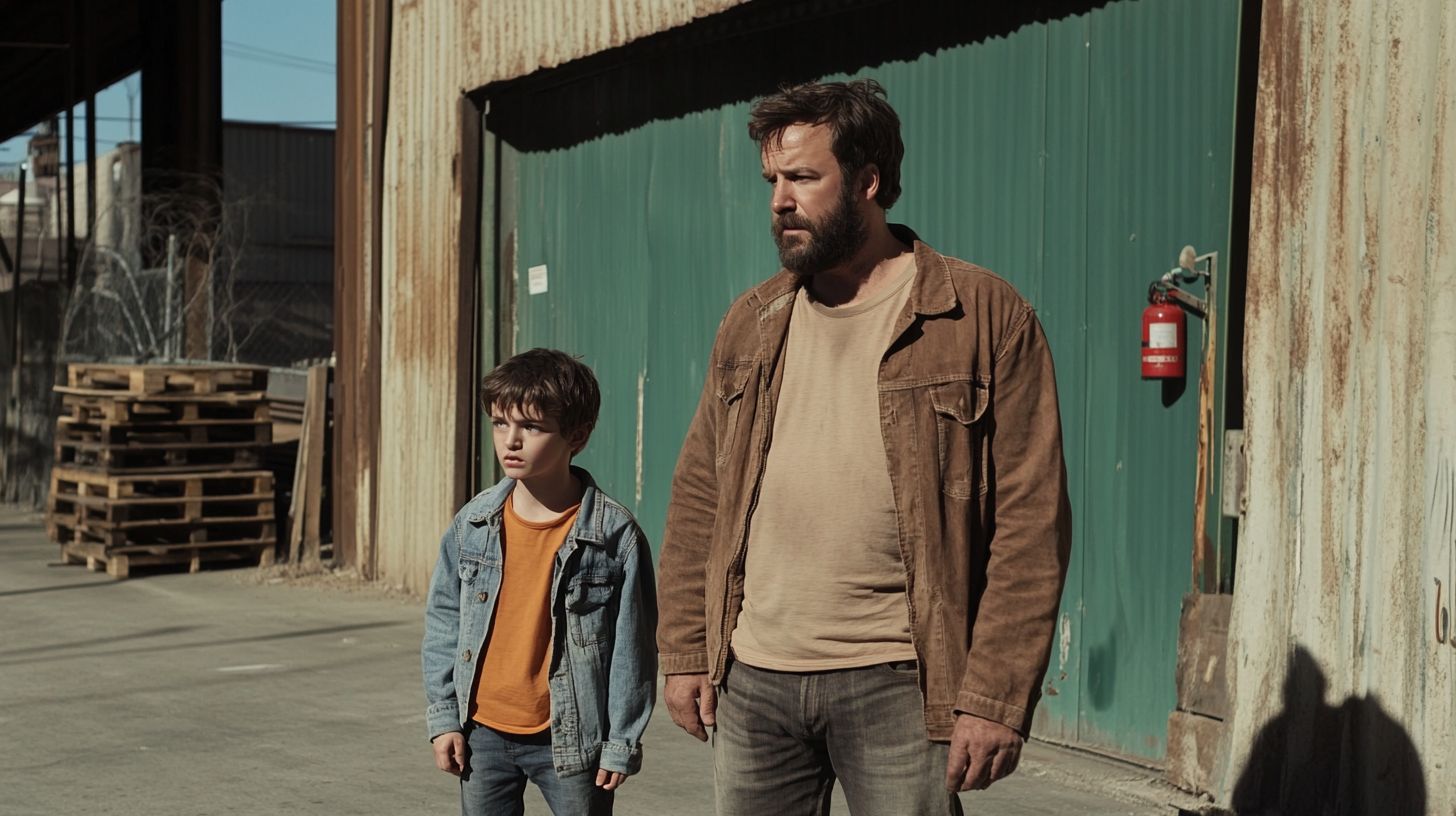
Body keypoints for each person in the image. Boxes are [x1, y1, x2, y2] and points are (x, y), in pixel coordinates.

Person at [656, 79, 1073, 815]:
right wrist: (689, 652)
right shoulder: (751, 322)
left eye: (803, 178)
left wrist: (995, 698)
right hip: (754, 677)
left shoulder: (980, 316)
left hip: (899, 681)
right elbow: (700, 497)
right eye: (772, 181)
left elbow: (1031, 524)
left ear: (869, 181)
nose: (780, 200)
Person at [423, 348, 657, 816]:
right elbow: (444, 621)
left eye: (530, 427)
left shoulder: (614, 537)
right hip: (482, 733)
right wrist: (444, 717)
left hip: (571, 737)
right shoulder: (473, 523)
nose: (511, 441)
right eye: (500, 423)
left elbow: (634, 649)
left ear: (577, 435)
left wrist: (621, 741)